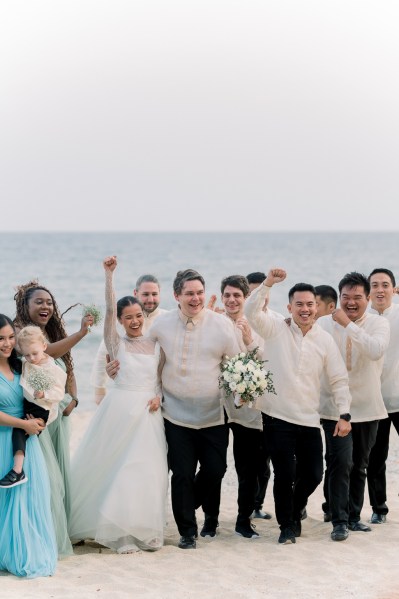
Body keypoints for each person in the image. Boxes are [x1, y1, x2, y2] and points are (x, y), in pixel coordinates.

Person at [245, 269, 352, 544]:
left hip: (307, 418)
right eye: (299, 304)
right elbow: (251, 310)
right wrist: (268, 283)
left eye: (310, 304)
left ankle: (293, 509)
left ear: (317, 308)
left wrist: (344, 414)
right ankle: (287, 527)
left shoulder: (324, 340)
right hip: (277, 416)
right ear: (289, 307)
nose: (305, 309)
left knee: (314, 474)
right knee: (285, 473)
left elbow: (339, 378)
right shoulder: (275, 328)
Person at [69, 256, 168, 553]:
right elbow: (110, 308)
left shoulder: (156, 344)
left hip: (148, 414)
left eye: (138, 316)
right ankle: (119, 535)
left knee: (150, 472)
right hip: (120, 409)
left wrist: (159, 396)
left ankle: (144, 530)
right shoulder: (116, 344)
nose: (135, 321)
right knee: (120, 469)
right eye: (129, 318)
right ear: (121, 321)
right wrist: (109, 276)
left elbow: (161, 379)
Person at [144, 268, 240, 549]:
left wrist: (242, 393)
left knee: (216, 469)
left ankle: (190, 502)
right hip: (175, 415)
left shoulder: (222, 325)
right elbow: (142, 353)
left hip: (213, 416)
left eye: (199, 292)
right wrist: (118, 366)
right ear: (177, 295)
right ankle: (187, 531)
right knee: (182, 474)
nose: (195, 298)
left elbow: (236, 365)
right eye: (189, 293)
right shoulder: (161, 325)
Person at [13, 280, 94, 523]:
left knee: (60, 469)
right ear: (25, 306)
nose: (45, 306)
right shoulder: (23, 334)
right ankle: (47, 526)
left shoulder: (54, 333)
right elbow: (49, 354)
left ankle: (62, 525)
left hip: (61, 413)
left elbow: (67, 366)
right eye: (38, 302)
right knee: (47, 475)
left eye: (49, 302)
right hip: (39, 414)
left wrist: (75, 398)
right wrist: (81, 333)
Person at [318, 272, 390, 534]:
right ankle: (338, 521)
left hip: (368, 407)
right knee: (340, 463)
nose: (350, 302)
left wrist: (348, 324)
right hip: (335, 408)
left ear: (368, 299)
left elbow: (374, 350)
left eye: (357, 297)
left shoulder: (378, 324)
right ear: (339, 298)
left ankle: (352, 517)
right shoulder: (325, 324)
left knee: (359, 465)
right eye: (345, 297)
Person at [0, 314, 57, 578]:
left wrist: (40, 421)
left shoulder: (24, 366)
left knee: (25, 500)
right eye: (0, 338)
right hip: (7, 436)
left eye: (11, 337)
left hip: (25, 440)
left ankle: (21, 552)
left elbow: (47, 386)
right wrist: (23, 425)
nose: (7, 343)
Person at [218, 275, 267, 538]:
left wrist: (249, 341)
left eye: (237, 295)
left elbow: (266, 361)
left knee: (247, 469)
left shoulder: (257, 324)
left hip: (248, 410)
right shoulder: (213, 322)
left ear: (246, 298)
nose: (232, 300)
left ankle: (243, 520)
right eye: (227, 295)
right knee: (215, 465)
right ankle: (209, 519)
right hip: (217, 406)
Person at [0, 325, 66, 488]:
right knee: (20, 431)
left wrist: (45, 395)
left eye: (34, 353)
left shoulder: (53, 369)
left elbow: (59, 394)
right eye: (27, 355)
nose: (31, 358)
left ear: (44, 346)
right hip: (27, 407)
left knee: (19, 432)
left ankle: (17, 470)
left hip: (41, 409)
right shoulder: (25, 362)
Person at [91, 273, 167, 404]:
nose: (150, 299)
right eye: (145, 294)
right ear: (135, 293)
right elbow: (103, 355)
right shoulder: (120, 323)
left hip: (156, 395)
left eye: (154, 294)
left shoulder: (167, 319)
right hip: (126, 394)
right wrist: (100, 389)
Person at [366, 268, 399, 524]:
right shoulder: (361, 319)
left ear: (393, 289)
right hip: (373, 401)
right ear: (367, 292)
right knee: (376, 457)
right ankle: (379, 508)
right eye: (374, 285)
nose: (380, 289)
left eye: (385, 284)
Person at [246, 271, 273, 520]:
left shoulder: (279, 321)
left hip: (272, 401)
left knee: (268, 462)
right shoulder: (240, 321)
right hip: (244, 403)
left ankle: (258, 504)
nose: (259, 297)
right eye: (253, 293)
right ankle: (250, 505)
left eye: (262, 292)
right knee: (252, 461)